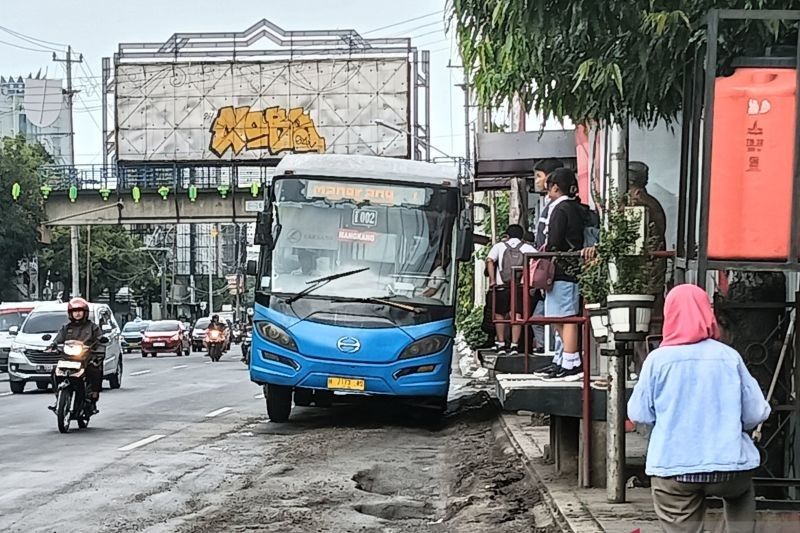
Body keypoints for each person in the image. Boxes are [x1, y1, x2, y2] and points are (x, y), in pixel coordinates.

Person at [628, 284, 770, 533]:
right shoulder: (729, 357)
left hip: (674, 469)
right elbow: (757, 413)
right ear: (708, 313)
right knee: (741, 492)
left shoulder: (657, 361)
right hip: (729, 468)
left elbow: (639, 413)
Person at [538, 168, 585, 381]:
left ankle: (571, 361)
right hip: (568, 268)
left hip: (562, 269)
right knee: (560, 316)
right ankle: (564, 359)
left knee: (565, 318)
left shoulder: (560, 209)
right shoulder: (574, 207)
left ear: (555, 187)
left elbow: (554, 240)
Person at [486, 224, 536, 356]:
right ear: (522, 236)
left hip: (502, 286)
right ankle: (514, 345)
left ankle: (501, 344)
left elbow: (490, 260)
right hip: (520, 286)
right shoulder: (527, 247)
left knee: (500, 315)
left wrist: (492, 281)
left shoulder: (499, 246)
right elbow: (537, 261)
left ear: (507, 235)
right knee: (517, 314)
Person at [48, 298, 103, 413]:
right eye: (75, 311)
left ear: (85, 312)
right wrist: (53, 345)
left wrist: (98, 351)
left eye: (80, 311)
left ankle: (92, 397)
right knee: (54, 371)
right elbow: (58, 339)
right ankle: (59, 398)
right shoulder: (66, 328)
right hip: (67, 359)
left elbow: (100, 341)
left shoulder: (92, 327)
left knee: (94, 369)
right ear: (70, 313)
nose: (77, 313)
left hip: (85, 358)